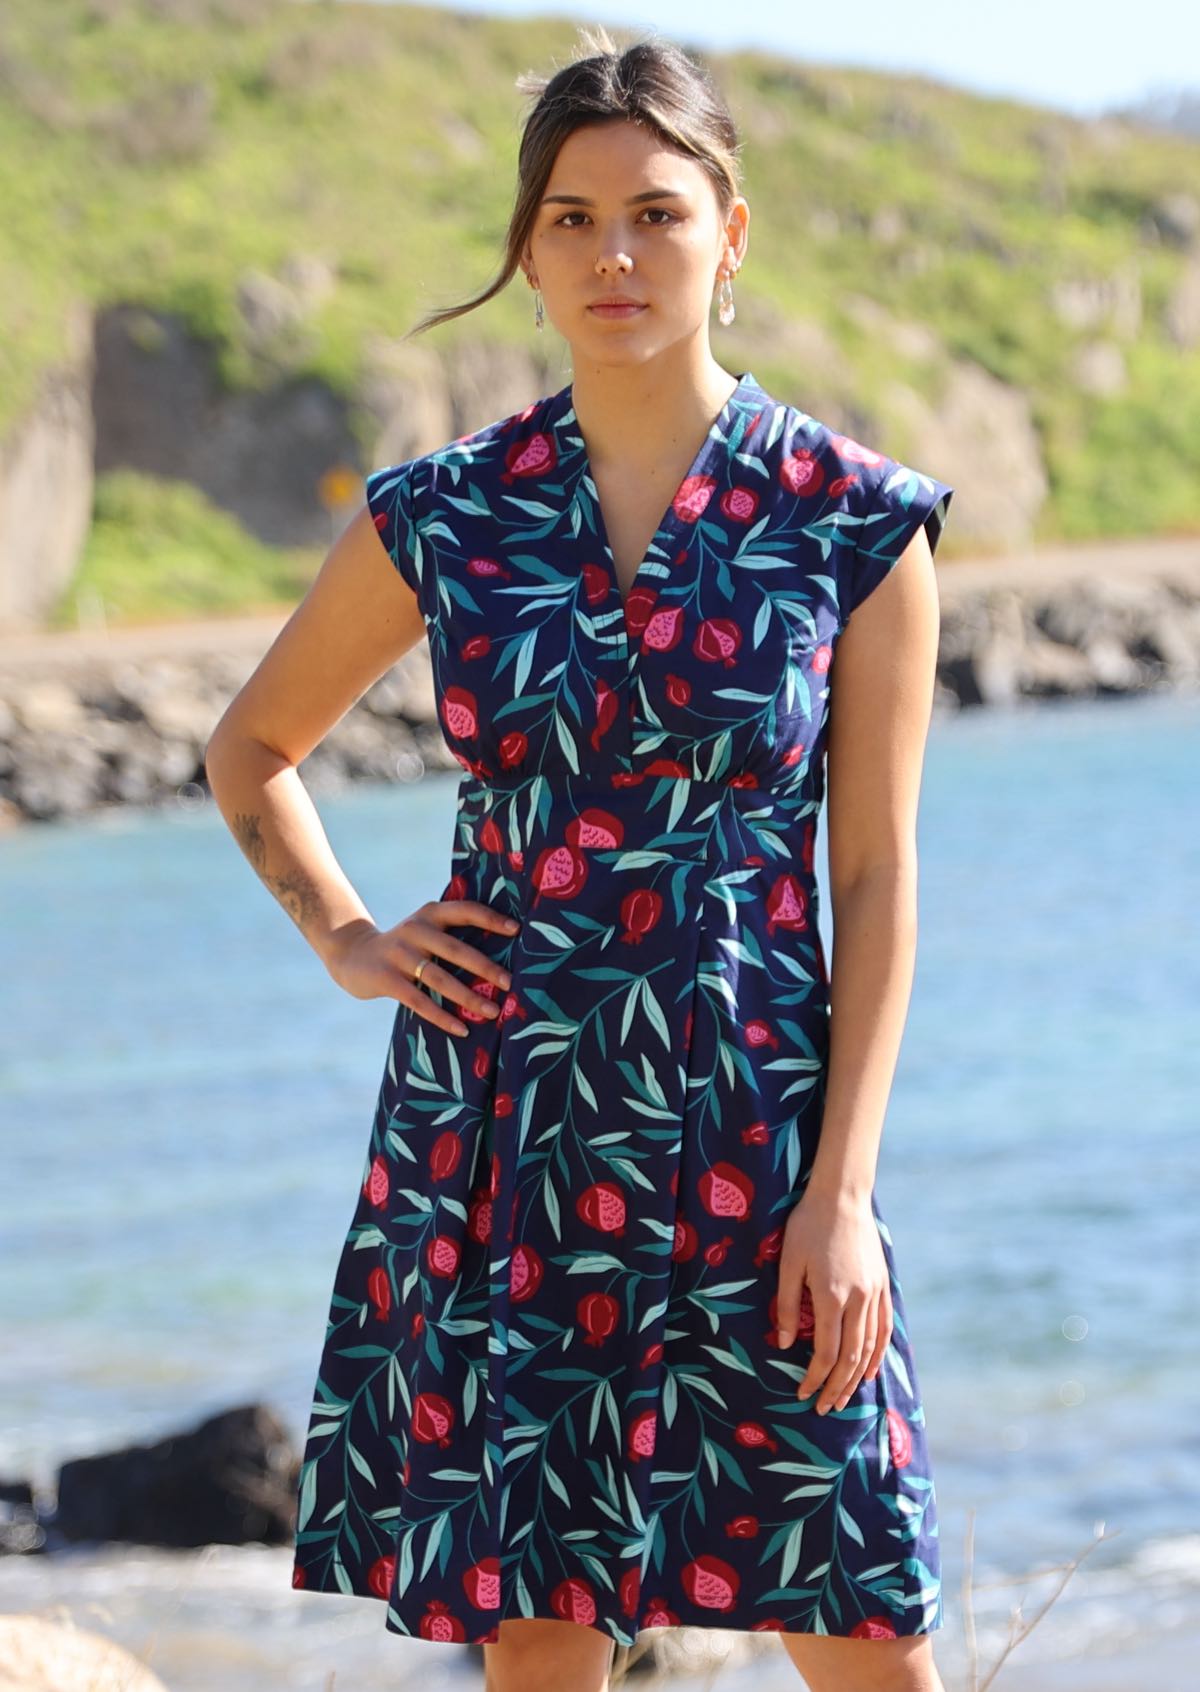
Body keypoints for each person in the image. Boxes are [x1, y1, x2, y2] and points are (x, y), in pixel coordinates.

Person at [205, 24, 954, 1692]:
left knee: (854, 1606)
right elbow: (251, 749)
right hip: (507, 1123)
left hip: (757, 1125)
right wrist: (345, 933)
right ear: (528, 249)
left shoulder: (853, 523)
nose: (615, 253)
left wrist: (844, 1193)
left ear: (730, 232)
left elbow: (879, 879)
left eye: (657, 213)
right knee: (539, 1624)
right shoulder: (450, 512)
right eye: (571, 217)